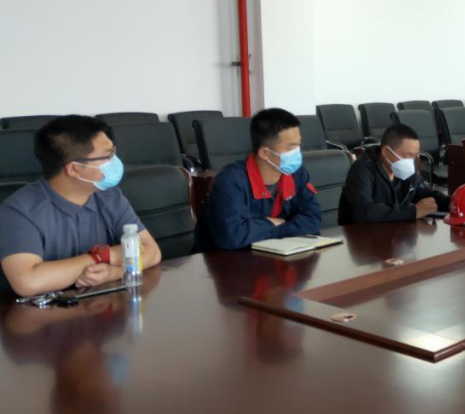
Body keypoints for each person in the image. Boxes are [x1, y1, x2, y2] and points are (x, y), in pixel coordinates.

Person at [0, 115, 162, 297]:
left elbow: (152, 251)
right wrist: (102, 257)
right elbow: (28, 281)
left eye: (113, 153)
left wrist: (115, 272)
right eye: (107, 156)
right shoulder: (19, 211)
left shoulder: (110, 197)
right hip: (44, 311)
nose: (115, 161)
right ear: (74, 169)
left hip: (101, 303)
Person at [195, 108, 322, 251]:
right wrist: (274, 224)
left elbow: (313, 219)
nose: (297, 153)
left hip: (275, 254)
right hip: (224, 261)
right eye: (290, 148)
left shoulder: (296, 173)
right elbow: (232, 237)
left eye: (298, 145)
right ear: (265, 153)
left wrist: (272, 227)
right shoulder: (230, 181)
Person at [339, 123, 450, 222]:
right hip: (361, 235)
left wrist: (452, 203)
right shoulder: (362, 169)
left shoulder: (406, 170)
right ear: (386, 152)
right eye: (407, 155)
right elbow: (363, 211)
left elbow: (425, 194)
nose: (411, 161)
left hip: (396, 233)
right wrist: (413, 211)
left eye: (415, 155)